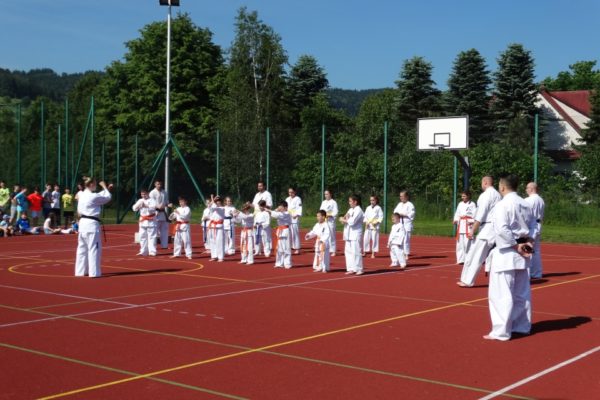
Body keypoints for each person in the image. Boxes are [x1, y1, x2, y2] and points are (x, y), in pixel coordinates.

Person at [484, 174, 537, 341]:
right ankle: (521, 326)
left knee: (501, 294)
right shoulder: (525, 204)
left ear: (502, 187)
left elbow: (501, 230)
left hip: (507, 253)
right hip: (523, 253)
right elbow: (534, 226)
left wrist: (516, 244)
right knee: (521, 293)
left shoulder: (502, 205)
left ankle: (501, 331)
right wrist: (527, 241)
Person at [458, 176, 502, 287]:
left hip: (487, 229)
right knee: (493, 255)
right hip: (495, 228)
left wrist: (473, 230)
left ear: (485, 182)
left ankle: (468, 280)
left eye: (481, 182)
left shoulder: (486, 195)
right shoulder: (498, 195)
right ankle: (497, 279)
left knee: (475, 255)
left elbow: (481, 214)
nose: (481, 185)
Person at [75, 177, 112, 278]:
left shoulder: (81, 195)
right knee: (93, 249)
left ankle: (80, 271)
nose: (96, 185)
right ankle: (94, 272)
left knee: (82, 249)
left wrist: (105, 189)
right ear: (91, 184)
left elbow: (99, 195)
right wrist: (104, 186)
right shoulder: (92, 196)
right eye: (95, 183)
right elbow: (108, 197)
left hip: (82, 224)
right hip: (91, 224)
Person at [525, 182, 545, 279]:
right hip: (538, 225)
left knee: (527, 249)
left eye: (527, 188)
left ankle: (527, 273)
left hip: (531, 226)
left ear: (532, 189)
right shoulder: (541, 200)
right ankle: (537, 273)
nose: (526, 190)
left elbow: (525, 215)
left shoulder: (528, 200)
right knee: (536, 251)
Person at [340, 195, 364, 275]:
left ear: (355, 202)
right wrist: (343, 220)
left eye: (350, 201)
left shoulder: (359, 210)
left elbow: (352, 221)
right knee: (348, 252)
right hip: (348, 233)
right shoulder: (350, 210)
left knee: (356, 251)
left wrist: (344, 219)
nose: (349, 203)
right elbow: (345, 218)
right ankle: (351, 268)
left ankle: (359, 268)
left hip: (355, 233)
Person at [453, 191, 477, 264]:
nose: (462, 197)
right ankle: (461, 260)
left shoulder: (472, 204)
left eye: (464, 196)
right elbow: (457, 213)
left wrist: (472, 221)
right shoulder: (460, 204)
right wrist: (456, 219)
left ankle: (468, 259)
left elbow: (475, 214)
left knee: (468, 243)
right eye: (462, 196)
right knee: (460, 243)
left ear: (468, 196)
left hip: (468, 224)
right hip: (461, 224)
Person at [132, 189, 158, 257]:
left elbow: (153, 209)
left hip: (151, 220)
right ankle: (143, 251)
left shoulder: (152, 200)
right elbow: (134, 208)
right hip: (143, 220)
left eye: (145, 194)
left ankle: (152, 252)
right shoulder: (140, 200)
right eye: (142, 194)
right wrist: (138, 206)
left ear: (148, 193)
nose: (143, 195)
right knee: (142, 236)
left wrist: (146, 206)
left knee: (151, 237)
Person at [268, 201, 293, 269]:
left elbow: (277, 215)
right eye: (279, 206)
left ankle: (287, 263)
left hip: (285, 230)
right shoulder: (280, 213)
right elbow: (273, 216)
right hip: (280, 231)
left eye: (281, 206)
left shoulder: (287, 213)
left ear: (285, 207)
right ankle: (279, 263)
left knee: (286, 248)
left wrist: (269, 210)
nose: (280, 208)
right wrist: (274, 210)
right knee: (279, 248)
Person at [393, 191, 415, 260]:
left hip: (406, 224)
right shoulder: (399, 204)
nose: (401, 197)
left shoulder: (410, 204)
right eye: (400, 196)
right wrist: (398, 215)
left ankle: (406, 254)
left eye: (402, 196)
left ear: (407, 197)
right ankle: (400, 253)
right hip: (400, 224)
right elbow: (395, 212)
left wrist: (403, 214)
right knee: (399, 239)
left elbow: (411, 214)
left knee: (406, 240)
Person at [149, 180, 169, 250]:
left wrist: (168, 205)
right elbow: (151, 203)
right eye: (158, 184)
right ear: (155, 184)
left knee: (164, 230)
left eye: (160, 184)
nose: (159, 185)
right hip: (155, 213)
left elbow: (166, 202)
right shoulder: (152, 193)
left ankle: (164, 245)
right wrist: (157, 206)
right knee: (154, 231)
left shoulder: (164, 192)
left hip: (163, 213)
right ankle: (153, 247)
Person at [319, 190, 338, 256]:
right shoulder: (323, 202)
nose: (326, 195)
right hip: (324, 221)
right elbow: (321, 210)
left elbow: (335, 212)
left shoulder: (333, 202)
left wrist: (329, 215)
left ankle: (333, 251)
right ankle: (325, 248)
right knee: (324, 235)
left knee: (331, 236)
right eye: (325, 194)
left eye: (327, 194)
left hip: (330, 221)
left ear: (330, 194)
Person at [208, 195, 226, 262]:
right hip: (212, 226)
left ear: (221, 202)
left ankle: (220, 257)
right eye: (216, 201)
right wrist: (213, 200)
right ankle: (214, 256)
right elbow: (209, 206)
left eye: (219, 201)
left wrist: (213, 199)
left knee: (219, 241)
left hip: (219, 226)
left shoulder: (222, 208)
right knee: (212, 241)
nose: (217, 202)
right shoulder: (213, 207)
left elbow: (214, 208)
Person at [285, 188, 303, 254]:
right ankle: (289, 246)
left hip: (294, 217)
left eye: (292, 192)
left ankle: (297, 248)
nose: (290, 194)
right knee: (288, 232)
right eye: (289, 192)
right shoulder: (287, 199)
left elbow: (299, 208)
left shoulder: (298, 199)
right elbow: (285, 207)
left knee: (295, 232)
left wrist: (297, 215)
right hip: (288, 217)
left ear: (295, 192)